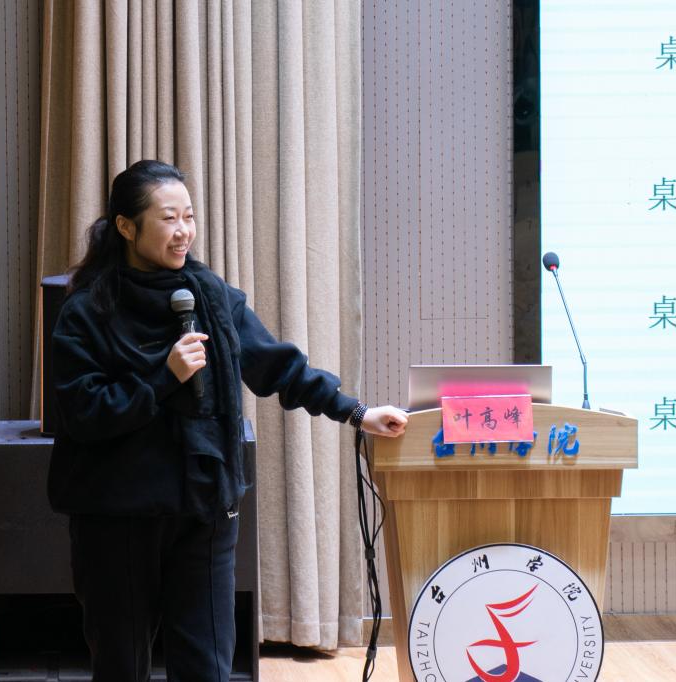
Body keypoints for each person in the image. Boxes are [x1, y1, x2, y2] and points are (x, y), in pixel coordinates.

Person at [48, 159, 407, 682]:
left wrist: (356, 412)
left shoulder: (209, 297)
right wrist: (163, 377)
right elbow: (83, 413)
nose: (183, 231)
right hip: (117, 517)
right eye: (168, 218)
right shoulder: (86, 311)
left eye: (188, 216)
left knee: (208, 668)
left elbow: (278, 366)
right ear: (126, 226)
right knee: (121, 667)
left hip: (204, 507)